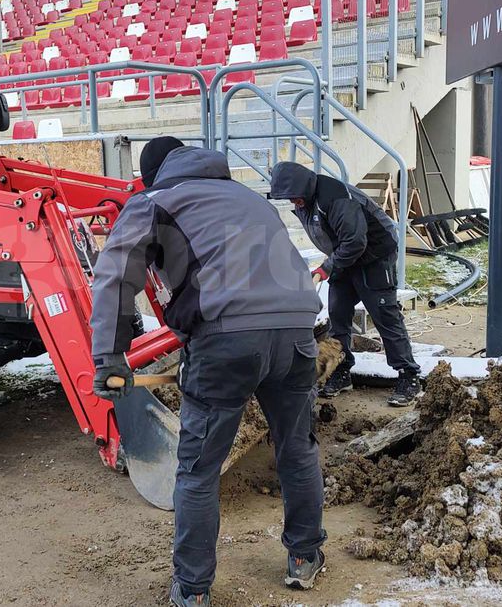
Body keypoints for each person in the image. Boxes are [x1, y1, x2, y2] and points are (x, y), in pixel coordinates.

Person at [89, 137, 328, 607]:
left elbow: (116, 275)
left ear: (153, 173)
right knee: (298, 451)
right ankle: (305, 557)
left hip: (227, 341)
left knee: (197, 471)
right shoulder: (247, 197)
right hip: (298, 333)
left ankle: (193, 589)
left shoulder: (154, 201)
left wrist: (109, 356)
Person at [268, 162, 422, 407]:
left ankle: (408, 375)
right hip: (345, 257)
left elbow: (355, 241)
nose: (292, 203)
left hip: (374, 255)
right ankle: (342, 369)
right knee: (338, 312)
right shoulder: (305, 201)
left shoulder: (336, 198)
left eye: (294, 198)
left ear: (304, 189)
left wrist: (326, 267)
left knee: (385, 314)